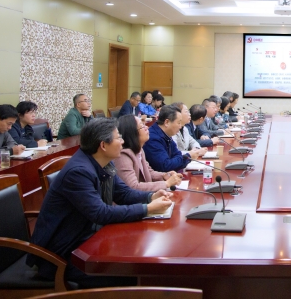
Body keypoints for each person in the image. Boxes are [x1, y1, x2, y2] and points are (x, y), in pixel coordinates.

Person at [28, 118, 172, 288]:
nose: (123, 141)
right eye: (118, 138)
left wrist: (151, 197)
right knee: (133, 274)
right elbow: (101, 213)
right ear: (103, 145)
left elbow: (123, 193)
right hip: (63, 254)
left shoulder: (103, 162)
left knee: (140, 258)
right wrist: (147, 209)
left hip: (89, 239)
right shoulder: (78, 172)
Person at [114, 114, 183, 192]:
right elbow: (133, 187)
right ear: (132, 133)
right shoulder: (123, 156)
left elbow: (149, 172)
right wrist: (166, 183)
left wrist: (164, 176)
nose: (147, 127)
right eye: (142, 126)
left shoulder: (139, 150)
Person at [143, 105, 194, 173]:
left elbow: (177, 154)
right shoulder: (152, 138)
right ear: (167, 122)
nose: (180, 126)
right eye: (178, 123)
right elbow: (165, 166)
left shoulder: (166, 134)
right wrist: (188, 156)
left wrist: (178, 160)